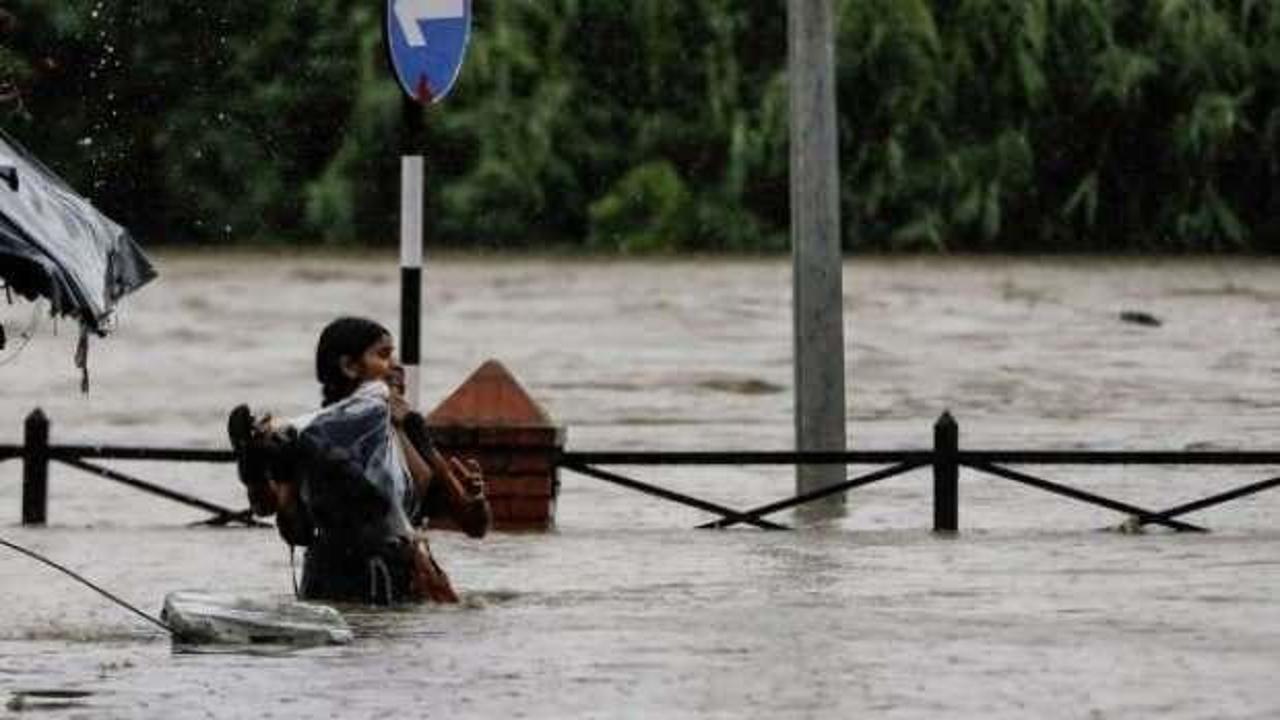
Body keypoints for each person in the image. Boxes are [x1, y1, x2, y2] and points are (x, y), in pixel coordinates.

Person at [228, 316, 490, 605]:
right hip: (335, 581)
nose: (396, 367)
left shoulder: (411, 430)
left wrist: (476, 498)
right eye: (384, 356)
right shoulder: (312, 439)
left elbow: (473, 525)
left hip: (397, 578)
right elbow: (287, 524)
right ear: (349, 368)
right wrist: (261, 473)